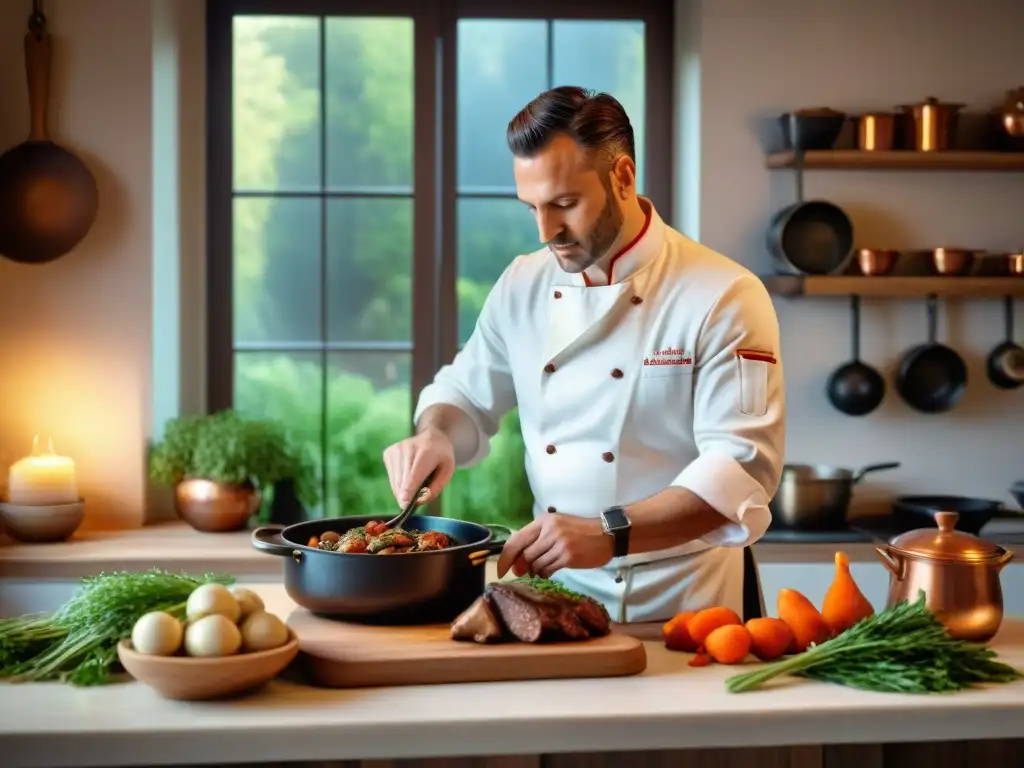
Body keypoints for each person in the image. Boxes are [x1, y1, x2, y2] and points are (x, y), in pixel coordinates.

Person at [382, 85, 785, 624]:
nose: (547, 231)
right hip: (553, 600)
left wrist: (609, 531)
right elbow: (465, 394)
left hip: (685, 608)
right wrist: (435, 434)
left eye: (564, 204)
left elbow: (740, 472)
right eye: (533, 208)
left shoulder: (723, 294)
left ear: (622, 177)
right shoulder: (522, 283)